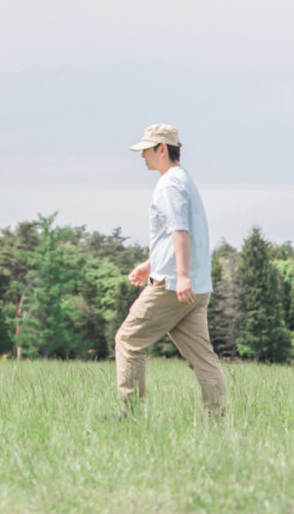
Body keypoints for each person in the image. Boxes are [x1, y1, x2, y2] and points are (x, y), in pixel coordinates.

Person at [116, 123, 225, 417]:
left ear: (162, 149)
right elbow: (176, 235)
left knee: (128, 340)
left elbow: (180, 230)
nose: (142, 157)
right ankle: (216, 421)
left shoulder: (169, 184)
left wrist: (181, 277)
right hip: (197, 287)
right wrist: (149, 264)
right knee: (203, 359)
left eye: (146, 150)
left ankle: (130, 417)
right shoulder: (184, 180)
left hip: (172, 285)